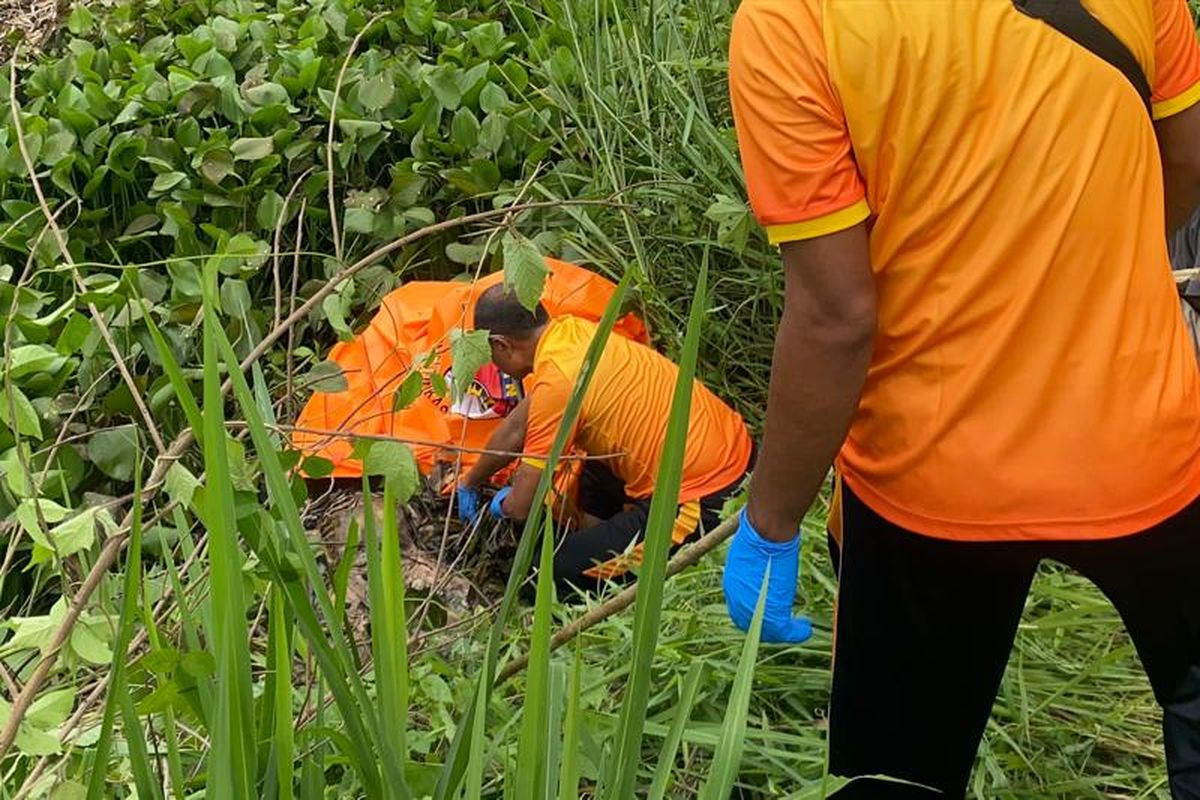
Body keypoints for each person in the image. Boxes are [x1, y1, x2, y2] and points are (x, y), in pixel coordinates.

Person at [721, 1, 1200, 797]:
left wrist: (770, 525)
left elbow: (837, 319)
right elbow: (1186, 162)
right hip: (1150, 446)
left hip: (931, 481)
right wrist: (1106, 265)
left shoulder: (790, 21)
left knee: (901, 771)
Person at [456, 284, 754, 594]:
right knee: (584, 476)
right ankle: (603, 531)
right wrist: (470, 480)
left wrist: (501, 505)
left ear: (502, 345)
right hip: (719, 446)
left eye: (492, 357)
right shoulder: (572, 334)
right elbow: (517, 429)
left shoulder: (559, 381)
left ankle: (617, 544)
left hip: (709, 494)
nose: (496, 367)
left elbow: (520, 507)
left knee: (539, 576)